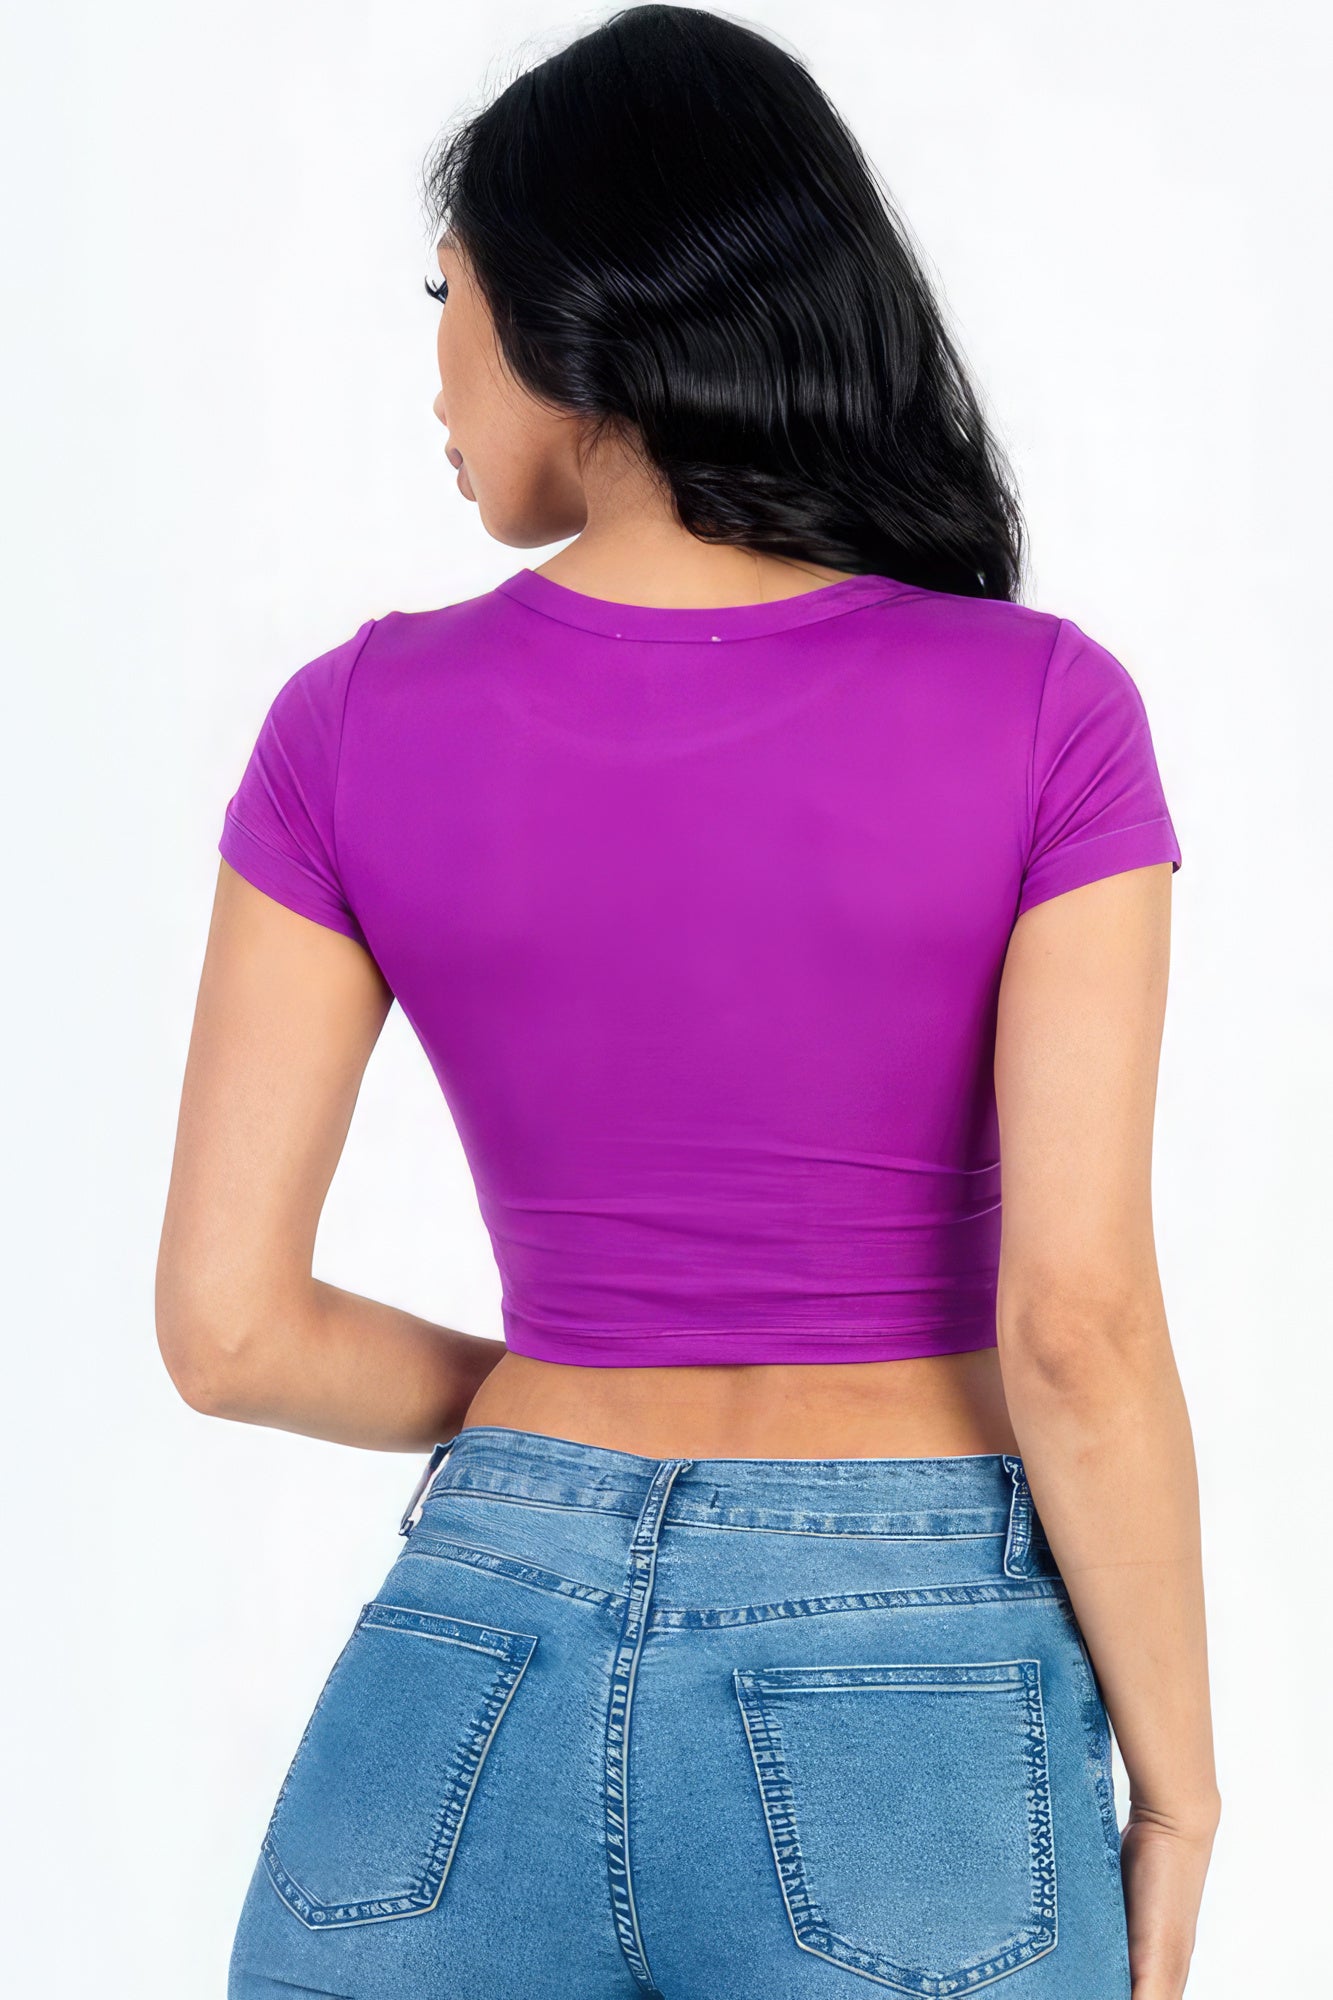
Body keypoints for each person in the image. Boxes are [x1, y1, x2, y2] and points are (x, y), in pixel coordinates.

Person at [156, 7, 1218, 1996]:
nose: (436, 370)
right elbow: (1072, 1328)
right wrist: (1177, 1788)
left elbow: (228, 1334)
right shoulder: (1043, 711)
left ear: (578, 311)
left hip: (469, 1642)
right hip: (910, 1660)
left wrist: (560, 1420)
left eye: (447, 297)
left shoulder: (348, 723)